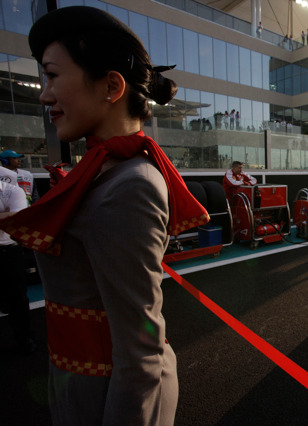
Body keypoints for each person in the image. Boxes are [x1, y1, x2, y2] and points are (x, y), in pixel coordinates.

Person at [0, 7, 210, 424]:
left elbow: (142, 351)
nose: (44, 94)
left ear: (111, 85)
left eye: (53, 76)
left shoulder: (128, 184)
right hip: (84, 388)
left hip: (111, 397)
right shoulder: (105, 173)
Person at [0, 180, 36, 355]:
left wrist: (10, 216)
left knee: (18, 298)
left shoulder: (12, 191)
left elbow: (18, 220)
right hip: (9, 248)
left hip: (9, 251)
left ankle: (25, 339)